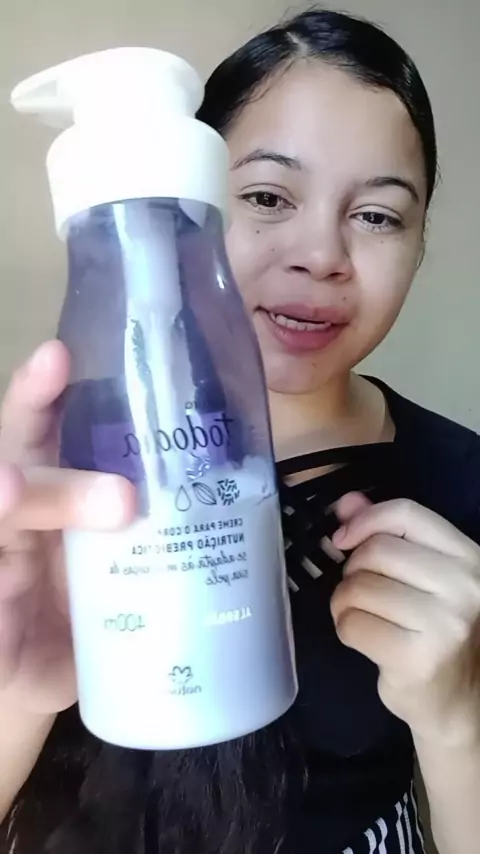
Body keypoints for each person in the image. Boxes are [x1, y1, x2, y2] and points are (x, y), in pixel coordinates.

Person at [0, 8, 479, 854]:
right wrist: (23, 693)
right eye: (265, 196)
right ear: (178, 207)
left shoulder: (459, 480)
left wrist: (458, 721)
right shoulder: (53, 479)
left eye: (377, 215)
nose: (320, 254)